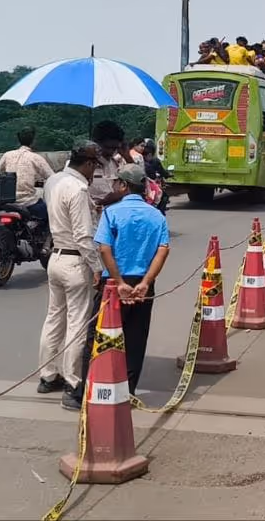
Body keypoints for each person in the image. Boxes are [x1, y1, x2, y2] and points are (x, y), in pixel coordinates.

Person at [69, 164, 170, 404]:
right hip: (143, 285)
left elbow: (104, 249)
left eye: (117, 182)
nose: (115, 186)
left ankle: (88, 391)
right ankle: (128, 392)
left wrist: (118, 281)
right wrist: (146, 282)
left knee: (98, 337)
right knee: (136, 338)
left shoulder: (111, 213)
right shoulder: (156, 215)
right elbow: (163, 250)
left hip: (114, 285)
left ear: (124, 185)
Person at [38, 142, 104, 404]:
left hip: (56, 257)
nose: (94, 173)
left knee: (54, 318)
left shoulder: (53, 181)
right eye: (95, 167)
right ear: (87, 164)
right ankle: (73, 381)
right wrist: (97, 267)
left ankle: (48, 375)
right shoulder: (78, 188)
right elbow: (83, 236)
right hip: (76, 262)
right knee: (77, 323)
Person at [0, 127, 54, 220]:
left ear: (19, 140)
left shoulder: (7, 155)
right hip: (27, 201)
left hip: (7, 200)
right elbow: (52, 177)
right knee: (48, 214)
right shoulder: (35, 158)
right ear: (33, 141)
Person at [89, 120, 127, 223]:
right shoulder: (80, 168)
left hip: (112, 223)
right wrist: (103, 202)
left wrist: (127, 156)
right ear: (95, 142)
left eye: (114, 148)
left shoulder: (115, 164)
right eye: (107, 147)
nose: (110, 152)